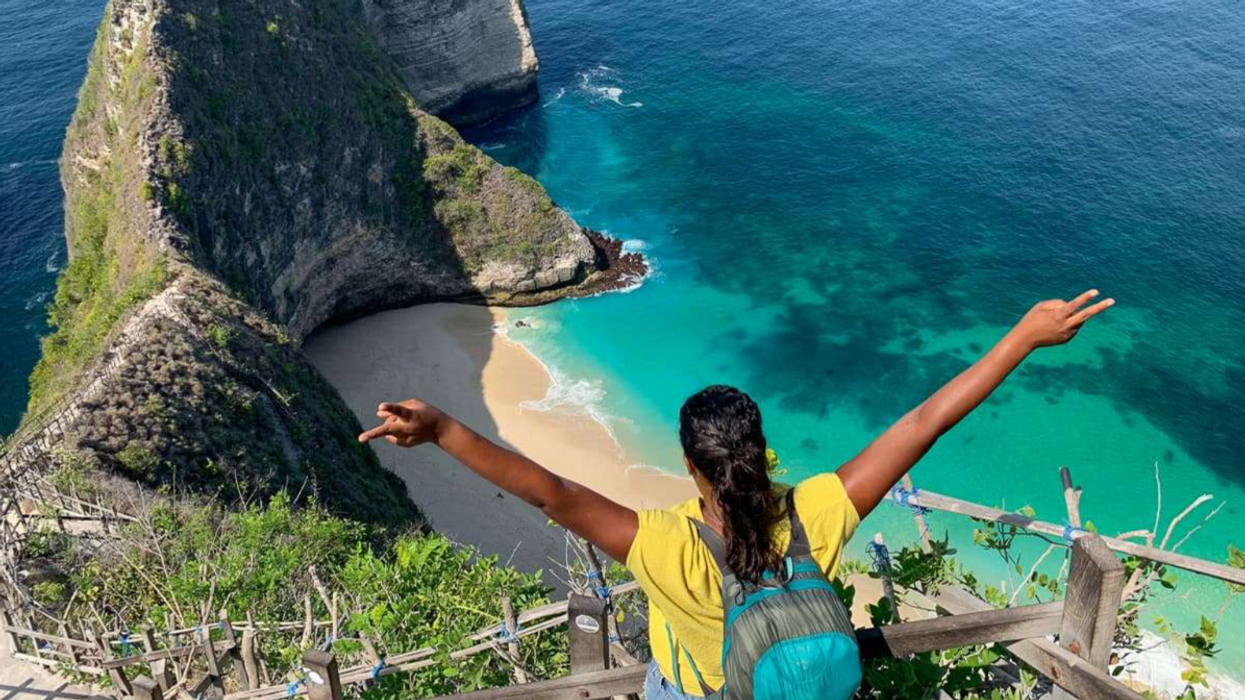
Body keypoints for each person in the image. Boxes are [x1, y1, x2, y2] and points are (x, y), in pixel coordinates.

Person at [358, 290, 1113, 698]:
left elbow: (550, 492)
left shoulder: (661, 542)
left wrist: (443, 430)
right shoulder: (815, 512)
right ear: (760, 453)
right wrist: (1021, 337)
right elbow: (922, 424)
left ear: (690, 465)